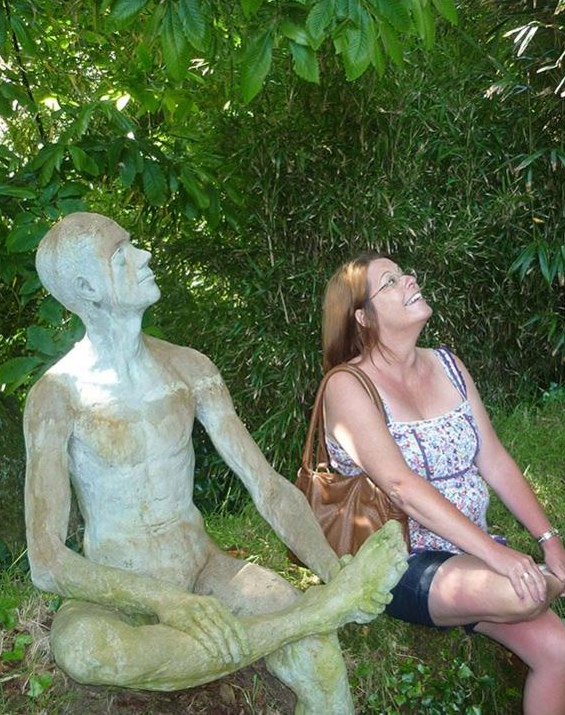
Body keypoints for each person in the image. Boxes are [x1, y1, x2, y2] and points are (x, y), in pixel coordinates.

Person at [23, 212, 408, 713]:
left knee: (321, 663)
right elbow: (46, 560)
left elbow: (265, 486)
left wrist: (332, 567)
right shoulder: (56, 396)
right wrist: (168, 603)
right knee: (84, 650)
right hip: (114, 587)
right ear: (86, 287)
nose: (143, 257)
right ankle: (318, 614)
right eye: (121, 254)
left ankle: (316, 613)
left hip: (203, 568)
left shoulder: (190, 367)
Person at [319, 253, 565, 715]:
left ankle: (547, 573)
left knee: (558, 650)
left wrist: (549, 540)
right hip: (399, 558)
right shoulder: (347, 385)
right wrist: (501, 557)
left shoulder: (448, 365)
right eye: (389, 282)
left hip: (470, 551)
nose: (408, 279)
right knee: (521, 592)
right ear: (363, 317)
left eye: (404, 272)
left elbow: (493, 459)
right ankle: (558, 579)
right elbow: (400, 486)